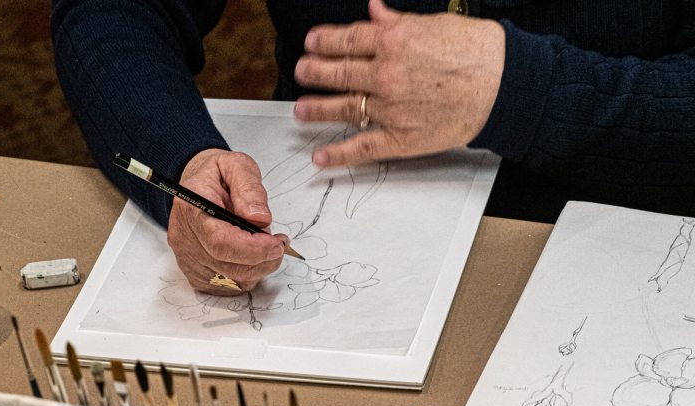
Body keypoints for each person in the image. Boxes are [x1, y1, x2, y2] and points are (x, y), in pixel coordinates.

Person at [52, 0, 695, 295]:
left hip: (618, 255)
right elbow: (110, 11)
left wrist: (527, 92)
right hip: (324, 210)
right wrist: (181, 158)